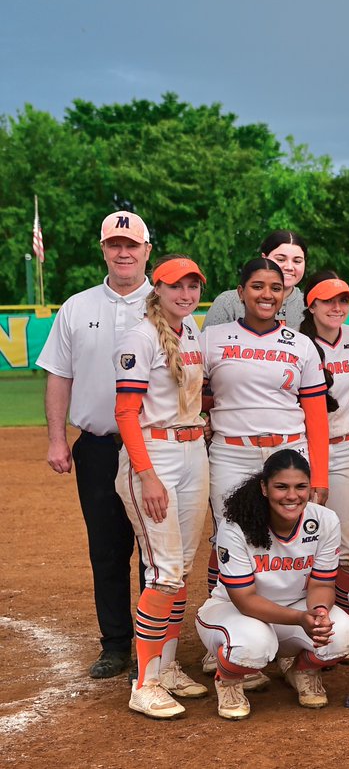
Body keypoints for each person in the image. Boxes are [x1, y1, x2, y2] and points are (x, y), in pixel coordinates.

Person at [200, 258, 330, 677]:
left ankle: (288, 631)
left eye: (276, 287)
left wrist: (320, 476)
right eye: (257, 286)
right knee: (229, 536)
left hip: (289, 452)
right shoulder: (213, 339)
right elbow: (195, 395)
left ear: (287, 294)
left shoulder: (300, 344)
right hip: (233, 451)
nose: (266, 295)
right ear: (240, 291)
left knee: (286, 537)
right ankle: (226, 635)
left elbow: (316, 415)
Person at [37, 210, 154, 678]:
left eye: (132, 245)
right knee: (107, 548)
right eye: (114, 244)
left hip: (154, 447)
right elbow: (58, 375)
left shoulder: (167, 304)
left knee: (154, 550)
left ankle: (152, 642)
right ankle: (116, 644)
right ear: (103, 249)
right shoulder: (76, 306)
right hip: (100, 445)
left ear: (147, 249)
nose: (123, 252)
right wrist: (55, 439)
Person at [114, 256, 212, 717]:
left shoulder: (191, 330)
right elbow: (125, 413)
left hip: (194, 450)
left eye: (193, 286)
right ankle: (145, 682)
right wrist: (146, 474)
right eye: (177, 286)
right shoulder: (141, 335)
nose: (186, 294)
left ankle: (168, 668)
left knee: (182, 568)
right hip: (155, 455)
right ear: (158, 287)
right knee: (165, 572)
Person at [196, 450, 349, 719]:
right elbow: (245, 599)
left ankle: (302, 670)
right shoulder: (236, 526)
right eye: (281, 487)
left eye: (300, 487)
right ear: (264, 487)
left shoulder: (325, 520)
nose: (292, 496)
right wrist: (300, 618)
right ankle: (228, 679)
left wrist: (319, 612)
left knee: (343, 635)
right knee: (253, 646)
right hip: (235, 611)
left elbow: (322, 584)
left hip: (295, 609)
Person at [299, 272, 349, 616]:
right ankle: (300, 619)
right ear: (310, 304)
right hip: (300, 451)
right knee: (301, 545)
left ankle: (339, 611)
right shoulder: (296, 341)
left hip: (345, 448)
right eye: (328, 300)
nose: (337, 307)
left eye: (343, 300)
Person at [202, 230, 308, 329]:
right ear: (264, 258)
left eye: (297, 261)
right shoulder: (228, 302)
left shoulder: (310, 305)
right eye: (281, 259)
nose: (289, 267)